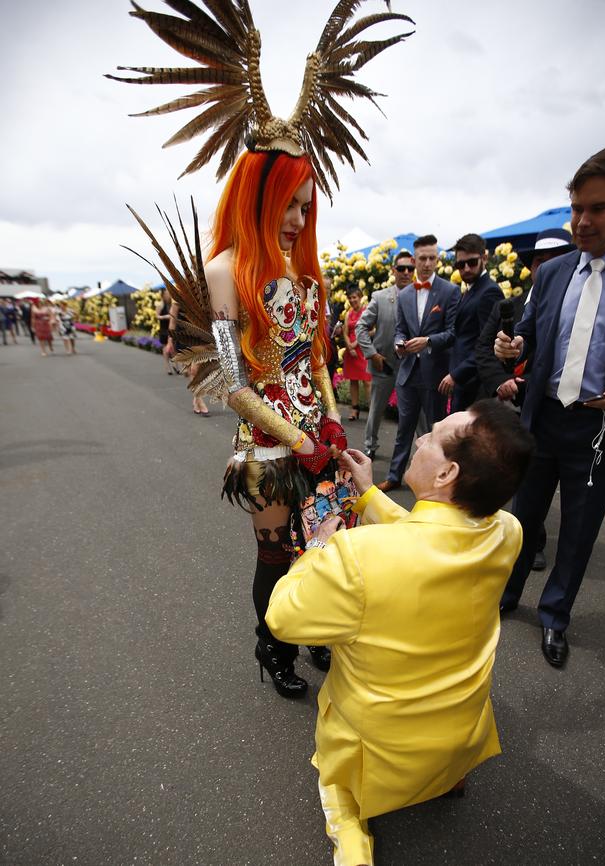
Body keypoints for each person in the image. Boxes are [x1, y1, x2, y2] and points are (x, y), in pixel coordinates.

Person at [110, 0, 413, 700]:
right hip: (268, 446)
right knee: (277, 555)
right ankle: (271, 648)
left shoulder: (306, 271)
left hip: (317, 434)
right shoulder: (224, 273)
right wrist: (295, 437)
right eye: (291, 204)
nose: (300, 219)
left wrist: (332, 423)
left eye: (308, 206)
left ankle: (313, 635)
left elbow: (316, 361)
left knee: (326, 550)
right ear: (258, 194)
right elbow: (231, 381)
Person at [266, 400, 534, 866]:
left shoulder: (356, 555)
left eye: (432, 436)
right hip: (461, 730)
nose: (419, 438)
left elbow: (283, 618)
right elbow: (427, 535)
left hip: (380, 742)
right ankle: (449, 775)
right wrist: (368, 495)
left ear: (447, 473)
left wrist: (317, 548)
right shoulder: (507, 531)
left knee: (335, 783)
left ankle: (351, 839)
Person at [495, 145, 605, 668]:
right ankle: (505, 596)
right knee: (523, 518)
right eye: (575, 207)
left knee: (580, 530)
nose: (581, 221)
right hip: (543, 420)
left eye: (597, 209)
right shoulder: (554, 270)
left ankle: (555, 616)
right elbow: (530, 333)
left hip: (602, 427)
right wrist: (513, 346)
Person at [475, 227, 575, 572]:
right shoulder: (509, 305)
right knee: (495, 469)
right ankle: (490, 532)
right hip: (502, 404)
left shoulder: (574, 310)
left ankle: (532, 542)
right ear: (532, 268)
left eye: (556, 261)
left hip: (540, 406)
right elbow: (484, 348)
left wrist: (525, 383)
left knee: (534, 478)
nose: (547, 268)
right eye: (540, 262)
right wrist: (502, 381)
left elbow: (565, 363)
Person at [377, 234, 459, 492]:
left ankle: (437, 480)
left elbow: (453, 333)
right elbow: (400, 330)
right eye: (422, 258)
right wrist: (400, 344)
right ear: (414, 260)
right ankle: (394, 476)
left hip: (435, 374)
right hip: (408, 372)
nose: (427, 263)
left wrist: (428, 341)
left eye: (432, 258)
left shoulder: (450, 291)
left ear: (437, 259)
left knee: (436, 430)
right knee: (404, 429)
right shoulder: (404, 295)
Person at [356, 249, 415, 460]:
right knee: (377, 408)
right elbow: (361, 327)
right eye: (401, 268)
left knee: (414, 412)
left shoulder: (421, 296)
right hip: (385, 363)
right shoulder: (380, 297)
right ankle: (370, 445)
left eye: (410, 268)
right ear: (394, 270)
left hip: (412, 365)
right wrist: (372, 354)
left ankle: (422, 450)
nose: (406, 272)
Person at [439, 234, 503, 412]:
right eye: (460, 264)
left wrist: (457, 375)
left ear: (484, 258)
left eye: (472, 262)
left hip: (475, 386)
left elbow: (488, 345)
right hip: (464, 384)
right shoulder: (472, 289)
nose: (466, 268)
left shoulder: (489, 292)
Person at [341, 287, 372, 421]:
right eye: (350, 298)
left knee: (367, 381)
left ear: (360, 297)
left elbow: (373, 330)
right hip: (351, 351)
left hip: (363, 348)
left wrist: (356, 344)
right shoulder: (349, 313)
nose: (352, 300)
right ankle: (355, 409)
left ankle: (372, 411)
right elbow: (345, 332)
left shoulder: (367, 311)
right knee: (353, 380)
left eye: (355, 297)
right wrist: (349, 346)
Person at [155, 288, 175, 375]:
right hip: (163, 329)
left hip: (171, 328)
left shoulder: (172, 304)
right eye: (167, 294)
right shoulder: (160, 305)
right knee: (165, 348)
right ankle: (168, 367)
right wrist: (166, 317)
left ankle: (176, 365)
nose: (168, 295)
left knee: (174, 347)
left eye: (169, 293)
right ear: (163, 295)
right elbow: (157, 316)